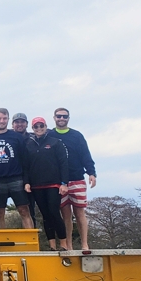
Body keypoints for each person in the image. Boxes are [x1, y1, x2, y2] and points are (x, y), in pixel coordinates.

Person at [53, 108, 97, 255]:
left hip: (77, 177)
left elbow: (85, 154)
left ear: (68, 118)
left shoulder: (76, 136)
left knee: (79, 212)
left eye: (64, 116)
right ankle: (69, 245)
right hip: (59, 181)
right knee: (65, 214)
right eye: (59, 116)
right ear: (54, 118)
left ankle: (85, 244)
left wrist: (91, 172)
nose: (61, 118)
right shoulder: (50, 135)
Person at [23, 117, 70, 251]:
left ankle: (63, 244)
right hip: (36, 185)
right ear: (32, 128)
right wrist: (26, 182)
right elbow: (25, 166)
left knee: (54, 212)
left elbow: (63, 163)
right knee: (45, 215)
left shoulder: (55, 142)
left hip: (54, 184)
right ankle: (52, 246)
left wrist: (64, 183)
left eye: (41, 125)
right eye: (36, 126)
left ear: (45, 126)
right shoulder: (28, 144)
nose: (39, 128)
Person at [0, 109, 34, 229]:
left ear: (8, 120)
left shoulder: (16, 137)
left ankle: (31, 242)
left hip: (16, 178)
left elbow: (25, 161)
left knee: (24, 210)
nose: (2, 121)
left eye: (4, 118)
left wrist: (26, 181)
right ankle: (2, 243)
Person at [11, 112, 37, 224]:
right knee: (20, 210)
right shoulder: (8, 137)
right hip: (13, 177)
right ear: (12, 124)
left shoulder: (34, 138)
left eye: (22, 122)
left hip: (32, 177)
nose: (20, 124)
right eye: (17, 122)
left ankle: (34, 239)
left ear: (27, 124)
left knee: (30, 211)